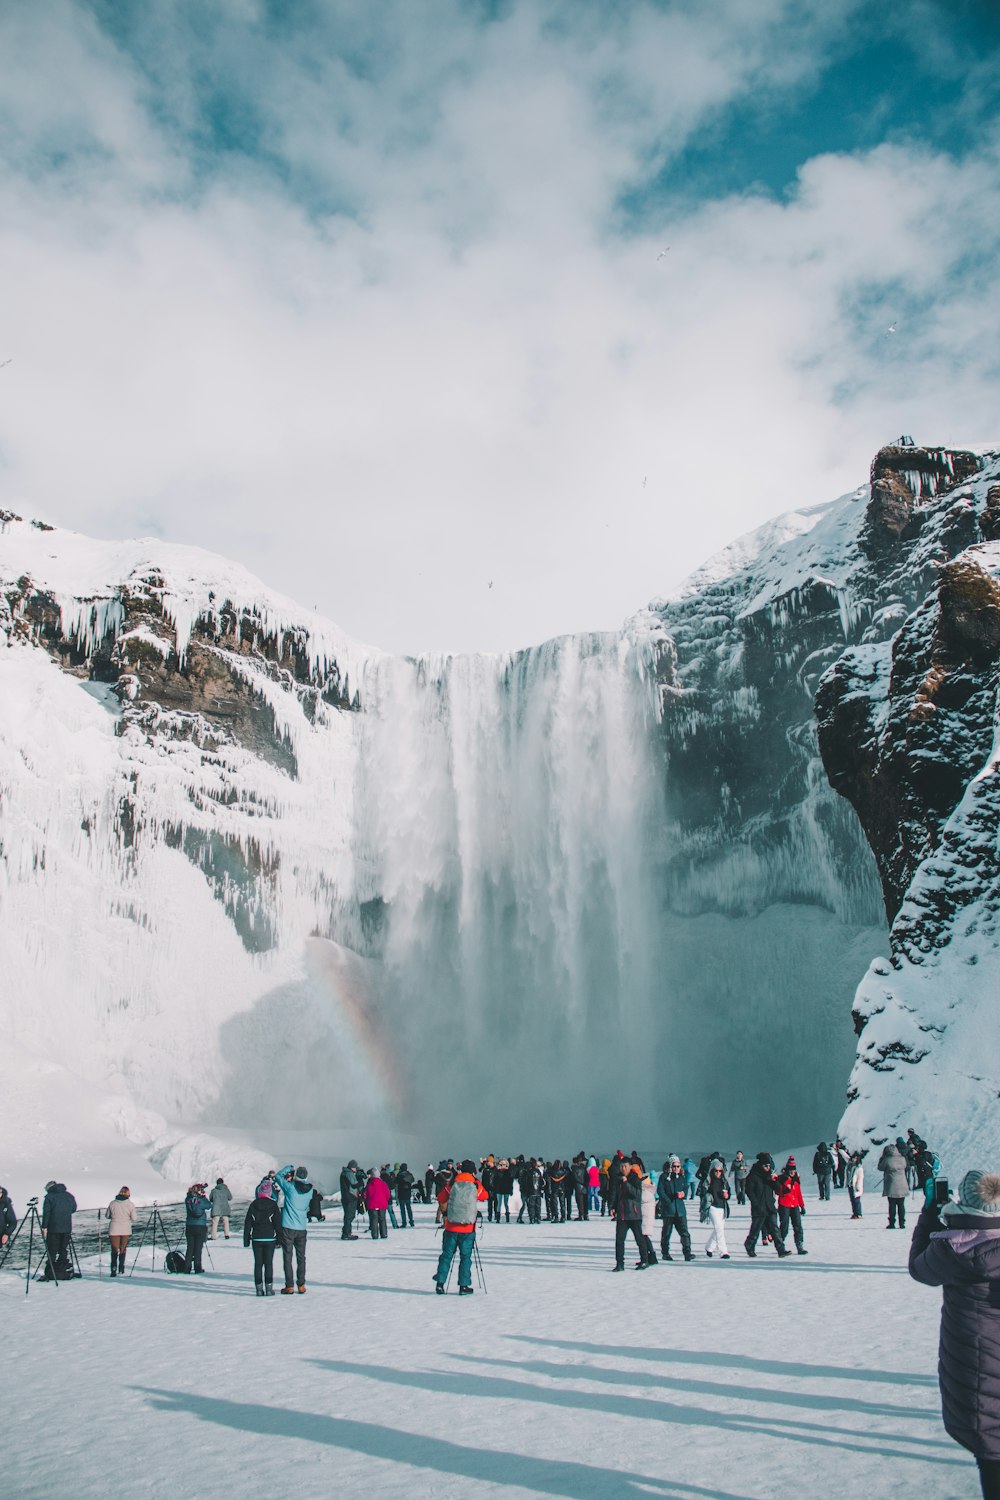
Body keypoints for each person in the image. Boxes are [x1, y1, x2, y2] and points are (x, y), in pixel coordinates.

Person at [909, 1169, 1000, 1498]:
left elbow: (919, 1267)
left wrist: (930, 1214)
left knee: (990, 1447)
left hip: (977, 1361)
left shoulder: (953, 1249)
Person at [433, 1159, 488, 1294]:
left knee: (446, 1255)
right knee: (465, 1258)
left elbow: (440, 1198)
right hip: (467, 1228)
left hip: (451, 1227)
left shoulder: (452, 1183)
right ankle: (463, 1286)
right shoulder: (475, 1184)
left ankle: (440, 1283)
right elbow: (485, 1196)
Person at [744, 1153, 789, 1259]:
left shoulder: (769, 1176)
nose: (768, 1168)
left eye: (769, 1166)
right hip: (759, 1208)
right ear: (760, 1165)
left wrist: (775, 1181)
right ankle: (749, 1245)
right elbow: (749, 1191)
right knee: (756, 1229)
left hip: (770, 1206)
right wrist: (755, 1203)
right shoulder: (753, 1176)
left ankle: (781, 1250)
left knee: (775, 1229)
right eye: (766, 1166)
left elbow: (778, 1189)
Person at [277, 1164, 312, 1293]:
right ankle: (301, 1284)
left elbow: (278, 1176)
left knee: (287, 1256)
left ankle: (289, 1285)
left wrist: (289, 1168)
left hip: (288, 1226)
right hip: (302, 1227)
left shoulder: (290, 1188)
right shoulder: (310, 1191)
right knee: (301, 1257)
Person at [244, 1180, 282, 1295]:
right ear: (269, 1193)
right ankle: (269, 1288)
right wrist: (279, 1239)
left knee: (258, 1264)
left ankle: (259, 1289)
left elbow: (247, 1223)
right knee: (269, 1263)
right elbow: (278, 1224)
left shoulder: (253, 1205)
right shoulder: (273, 1205)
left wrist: (246, 1240)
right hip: (270, 1238)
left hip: (257, 1238)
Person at [613, 1161, 649, 1271]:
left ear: (629, 1167)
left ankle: (644, 1261)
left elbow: (637, 1194)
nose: (623, 1168)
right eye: (621, 1166)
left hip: (634, 1214)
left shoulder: (635, 1179)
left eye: (625, 1166)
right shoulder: (617, 1179)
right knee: (619, 1240)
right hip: (622, 1214)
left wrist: (626, 1183)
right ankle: (620, 1264)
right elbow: (614, 1194)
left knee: (639, 1239)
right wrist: (612, 1207)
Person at [657, 1157, 694, 1261]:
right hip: (669, 1211)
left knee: (684, 1232)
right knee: (666, 1233)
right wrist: (668, 1201)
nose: (676, 1168)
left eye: (678, 1166)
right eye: (674, 1166)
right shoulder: (664, 1177)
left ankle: (687, 1252)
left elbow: (685, 1189)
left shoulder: (681, 1178)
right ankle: (665, 1253)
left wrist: (683, 1194)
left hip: (680, 1210)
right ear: (670, 1166)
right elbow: (661, 1191)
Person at [40, 1181, 77, 1280]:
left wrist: (44, 1227)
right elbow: (74, 1208)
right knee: (63, 1249)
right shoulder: (69, 1195)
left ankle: (50, 1271)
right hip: (67, 1227)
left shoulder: (49, 1197)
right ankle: (62, 1270)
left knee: (52, 1250)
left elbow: (46, 1213)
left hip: (53, 1228)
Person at [776, 1158, 808, 1255]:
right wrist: (783, 1189)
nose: (792, 1173)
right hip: (784, 1205)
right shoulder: (782, 1179)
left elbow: (799, 1194)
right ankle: (780, 1245)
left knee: (798, 1226)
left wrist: (802, 1206)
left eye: (794, 1171)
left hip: (795, 1205)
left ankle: (800, 1245)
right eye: (790, 1171)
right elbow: (777, 1191)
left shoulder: (796, 1181)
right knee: (784, 1226)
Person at [703, 1160, 731, 1259]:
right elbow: (701, 1192)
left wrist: (727, 1195)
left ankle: (709, 1247)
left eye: (720, 1171)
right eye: (716, 1171)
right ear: (712, 1171)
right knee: (719, 1229)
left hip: (722, 1207)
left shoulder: (724, 1181)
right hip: (712, 1207)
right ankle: (723, 1251)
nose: (718, 1173)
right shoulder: (708, 1181)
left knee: (719, 1229)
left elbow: (729, 1193)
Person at [878, 1139, 909, 1228]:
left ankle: (892, 1223)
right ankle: (902, 1223)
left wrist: (882, 1158)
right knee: (901, 1205)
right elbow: (906, 1166)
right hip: (902, 1185)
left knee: (892, 1205)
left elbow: (880, 1167)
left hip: (891, 1185)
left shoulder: (887, 1160)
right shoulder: (902, 1159)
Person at [106, 1186, 136, 1277]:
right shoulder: (130, 1204)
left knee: (114, 1249)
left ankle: (113, 1268)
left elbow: (107, 1215)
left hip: (114, 1228)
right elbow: (134, 1218)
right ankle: (121, 1267)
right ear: (128, 1194)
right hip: (125, 1229)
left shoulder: (112, 1203)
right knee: (123, 1248)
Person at [183, 1183, 211, 1274]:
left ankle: (187, 1267)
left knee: (190, 1247)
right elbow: (209, 1205)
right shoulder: (201, 1200)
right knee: (198, 1248)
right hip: (200, 1226)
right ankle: (197, 1268)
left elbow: (191, 1198)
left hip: (189, 1225)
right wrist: (203, 1196)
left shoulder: (187, 1199)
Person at [364, 1169, 390, 1239]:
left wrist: (367, 1202)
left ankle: (375, 1235)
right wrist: (384, 1200)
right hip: (382, 1205)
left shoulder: (369, 1185)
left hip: (372, 1205)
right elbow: (387, 1194)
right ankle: (384, 1234)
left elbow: (365, 1195)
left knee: (374, 1220)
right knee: (382, 1219)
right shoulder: (383, 1184)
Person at [340, 1160, 360, 1240]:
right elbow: (354, 1185)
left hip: (345, 1197)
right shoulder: (349, 1173)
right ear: (352, 1167)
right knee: (350, 1215)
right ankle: (346, 1233)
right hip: (350, 1197)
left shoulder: (343, 1173)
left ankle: (346, 1231)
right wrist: (361, 1182)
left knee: (347, 1215)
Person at [848, 1151, 865, 1218]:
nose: (853, 1159)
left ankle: (859, 1213)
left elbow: (860, 1178)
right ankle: (855, 1213)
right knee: (852, 1199)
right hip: (851, 1185)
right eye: (853, 1158)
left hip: (857, 1186)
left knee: (857, 1200)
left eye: (855, 1158)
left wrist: (858, 1186)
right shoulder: (851, 1165)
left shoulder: (859, 1167)